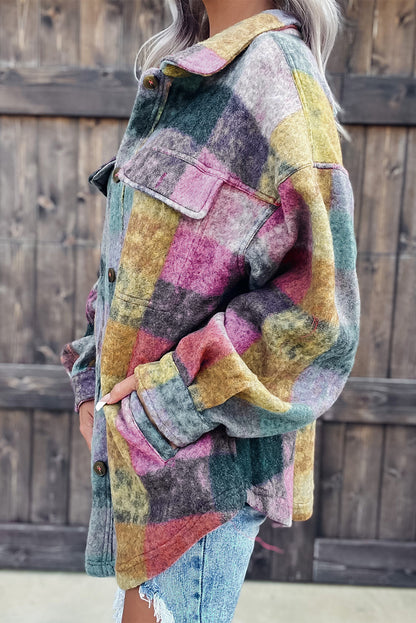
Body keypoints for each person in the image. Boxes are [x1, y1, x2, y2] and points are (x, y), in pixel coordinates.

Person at [60, 1, 360, 622]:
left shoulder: (276, 74)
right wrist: (91, 384)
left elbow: (316, 316)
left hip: (200, 481)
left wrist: (157, 411)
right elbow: (129, 265)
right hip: (145, 472)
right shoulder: (189, 78)